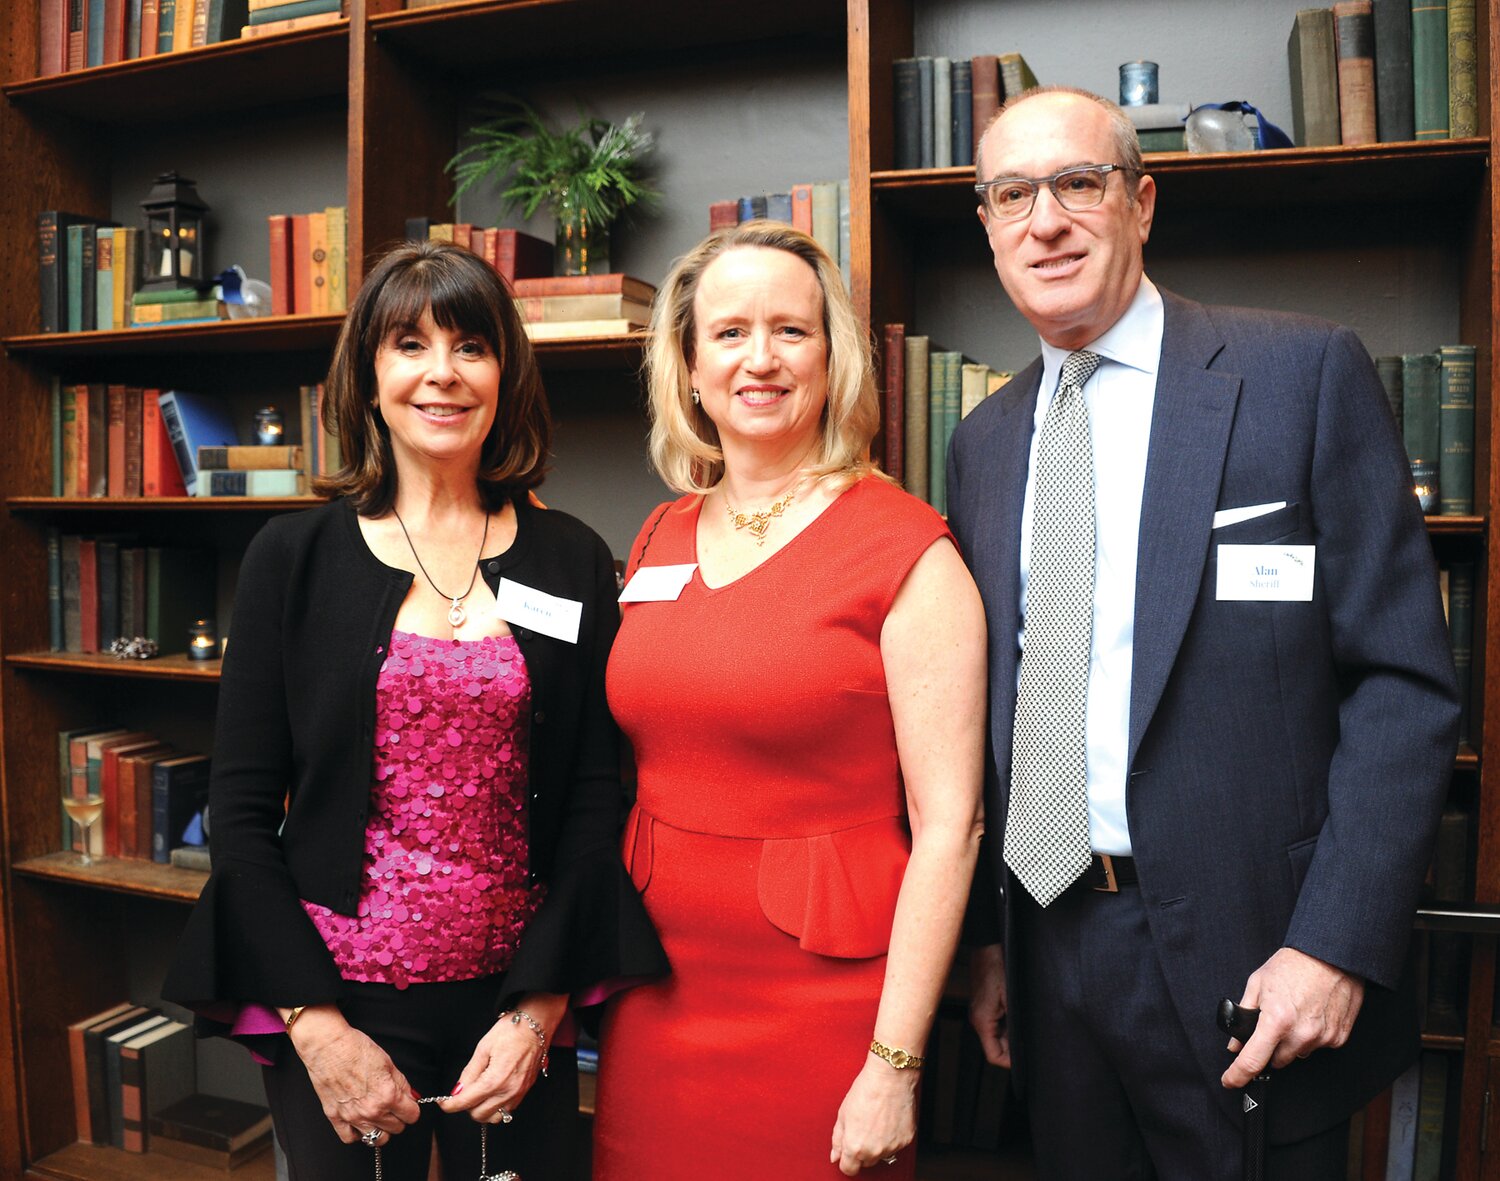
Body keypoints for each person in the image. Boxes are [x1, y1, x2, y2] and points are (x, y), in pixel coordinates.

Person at [949, 86, 1461, 1179]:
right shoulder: (982, 443)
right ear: (987, 224)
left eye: (1078, 183)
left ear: (1142, 200)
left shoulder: (1300, 376)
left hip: (1258, 950)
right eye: (1011, 194)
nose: (1045, 220)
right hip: (1049, 945)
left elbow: (1404, 684)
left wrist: (1334, 941)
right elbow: (998, 697)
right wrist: (991, 943)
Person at [163, 239, 666, 1180]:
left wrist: (537, 1014)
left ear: (505, 373)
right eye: (409, 345)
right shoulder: (291, 557)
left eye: (471, 346)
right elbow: (237, 815)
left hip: (516, 996)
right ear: (368, 374)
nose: (443, 373)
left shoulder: (573, 559)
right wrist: (318, 1031)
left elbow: (599, 799)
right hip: (340, 996)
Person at [593, 221, 986, 1179]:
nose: (759, 359)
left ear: (833, 359)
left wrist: (895, 1062)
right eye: (728, 333)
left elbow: (953, 826)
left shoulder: (908, 549)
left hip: (825, 1002)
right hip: (653, 986)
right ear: (689, 367)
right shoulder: (658, 531)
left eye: (790, 332)